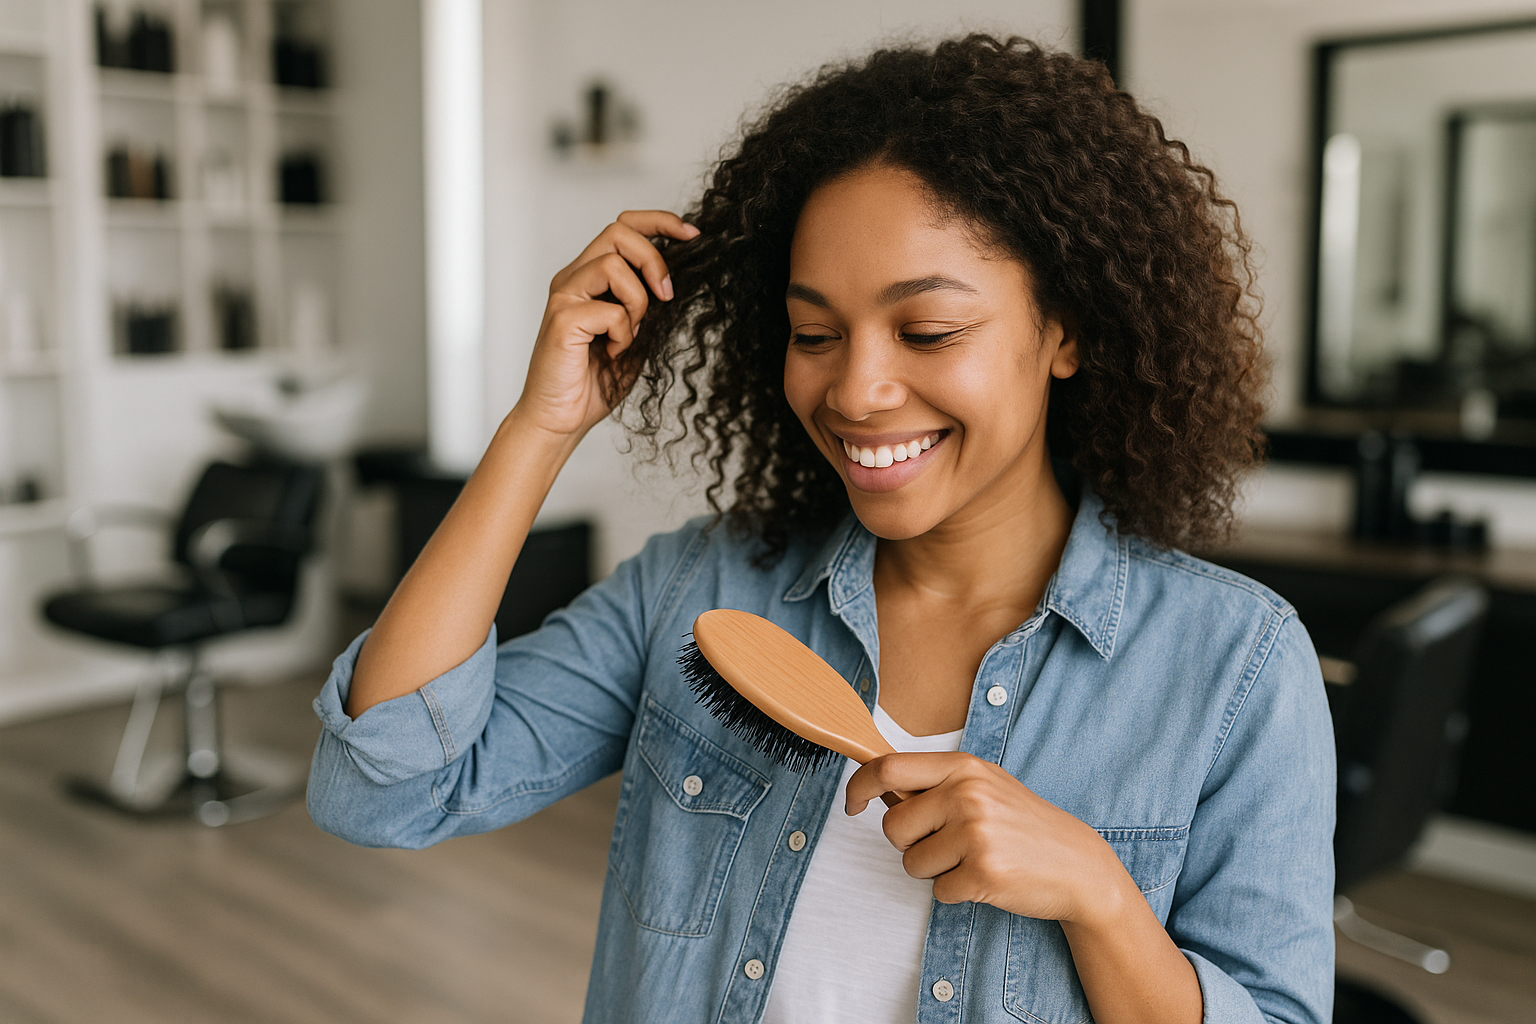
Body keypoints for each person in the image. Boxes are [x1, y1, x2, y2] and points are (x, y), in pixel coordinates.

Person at [308, 35, 1334, 1024]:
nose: (858, 389)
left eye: (926, 331)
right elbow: (383, 788)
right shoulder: (700, 590)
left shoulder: (1234, 665)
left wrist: (1101, 898)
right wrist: (541, 428)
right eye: (814, 333)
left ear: (1063, 329)